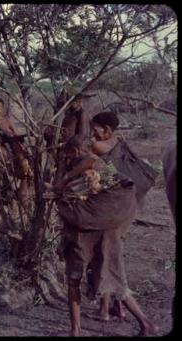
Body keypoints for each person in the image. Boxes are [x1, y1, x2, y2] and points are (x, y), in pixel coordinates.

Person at [51, 135, 159, 336]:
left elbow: (87, 170)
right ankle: (144, 323)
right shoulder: (105, 175)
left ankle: (77, 330)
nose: (67, 160)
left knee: (78, 281)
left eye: (68, 156)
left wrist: (62, 185)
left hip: (85, 238)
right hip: (99, 235)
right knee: (115, 281)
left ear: (75, 152)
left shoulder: (90, 165)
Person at [89, 111, 157, 320]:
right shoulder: (119, 141)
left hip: (112, 209)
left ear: (107, 129)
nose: (93, 132)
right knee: (109, 251)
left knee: (106, 255)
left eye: (96, 128)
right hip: (129, 206)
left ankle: (113, 311)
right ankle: (113, 307)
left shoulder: (97, 147)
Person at [0, 97, 31, 226]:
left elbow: (17, 142)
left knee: (9, 189)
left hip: (8, 161)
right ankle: (2, 219)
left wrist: (22, 159)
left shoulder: (7, 122)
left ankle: (13, 216)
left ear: (3, 109)